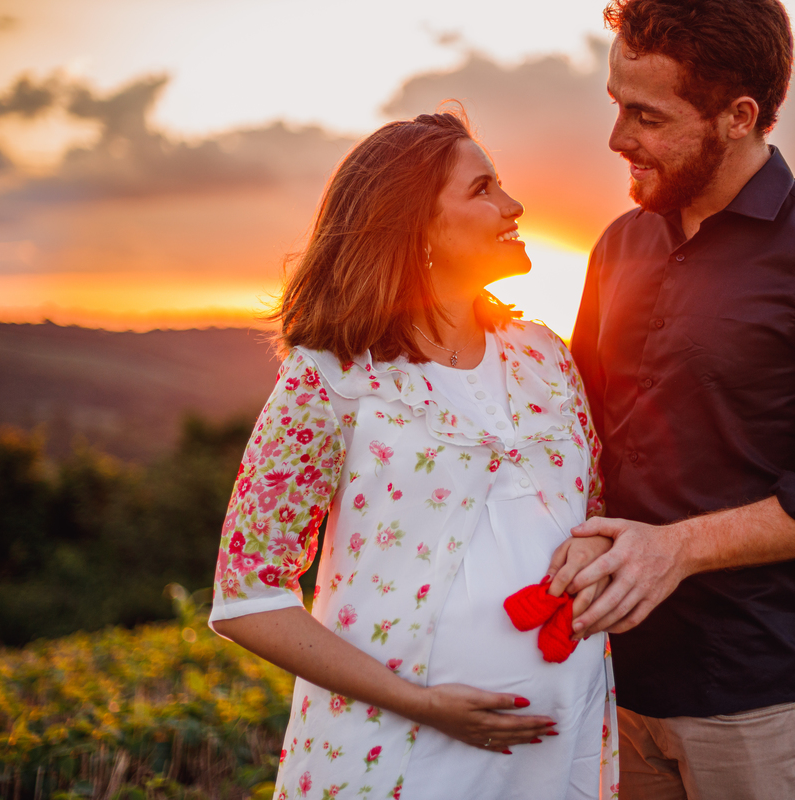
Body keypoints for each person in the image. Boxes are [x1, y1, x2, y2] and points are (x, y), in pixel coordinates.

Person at [548, 1, 795, 798]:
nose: (617, 138)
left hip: (759, 692)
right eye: (616, 104)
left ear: (738, 116)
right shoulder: (619, 245)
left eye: (645, 115)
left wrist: (678, 547)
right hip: (609, 680)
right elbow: (580, 433)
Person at [208, 110, 619, 800]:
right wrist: (420, 702)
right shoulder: (329, 378)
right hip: (391, 754)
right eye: (483, 189)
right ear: (418, 229)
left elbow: (595, 520)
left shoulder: (546, 358)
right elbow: (248, 599)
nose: (513, 206)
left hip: (559, 754)